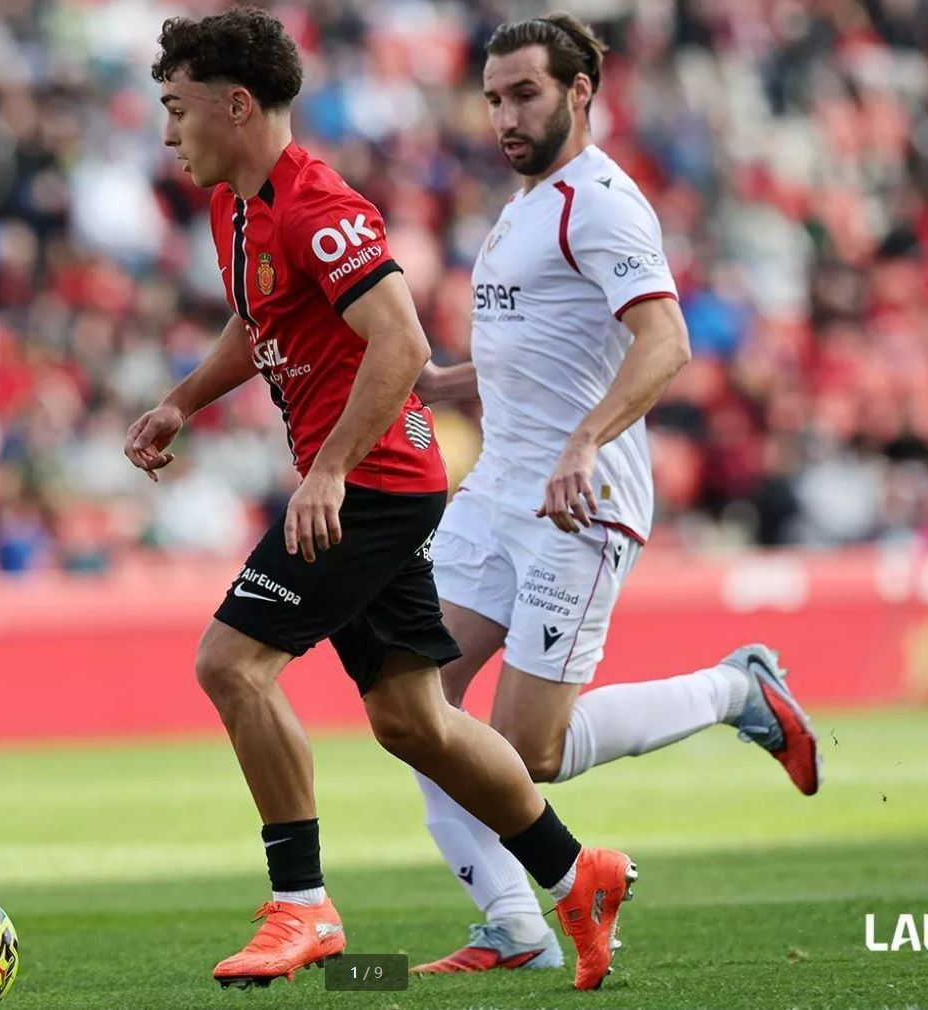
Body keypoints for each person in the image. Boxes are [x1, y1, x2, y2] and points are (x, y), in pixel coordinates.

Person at [126, 7, 636, 993]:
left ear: (238, 105)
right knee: (412, 719)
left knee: (231, 664)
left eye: (178, 109)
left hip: (372, 481)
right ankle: (578, 875)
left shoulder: (318, 205)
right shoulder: (238, 208)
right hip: (371, 478)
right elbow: (261, 319)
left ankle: (303, 906)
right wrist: (182, 400)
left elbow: (401, 342)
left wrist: (326, 471)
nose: (169, 132)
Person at [407, 14, 823, 974]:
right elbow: (542, 356)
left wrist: (585, 440)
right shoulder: (523, 205)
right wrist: (439, 384)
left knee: (528, 753)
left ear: (580, 92)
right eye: (494, 99)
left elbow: (665, 341)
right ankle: (514, 925)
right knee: (413, 702)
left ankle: (737, 690)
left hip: (578, 502)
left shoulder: (601, 204)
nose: (505, 116)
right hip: (497, 491)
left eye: (525, 95)